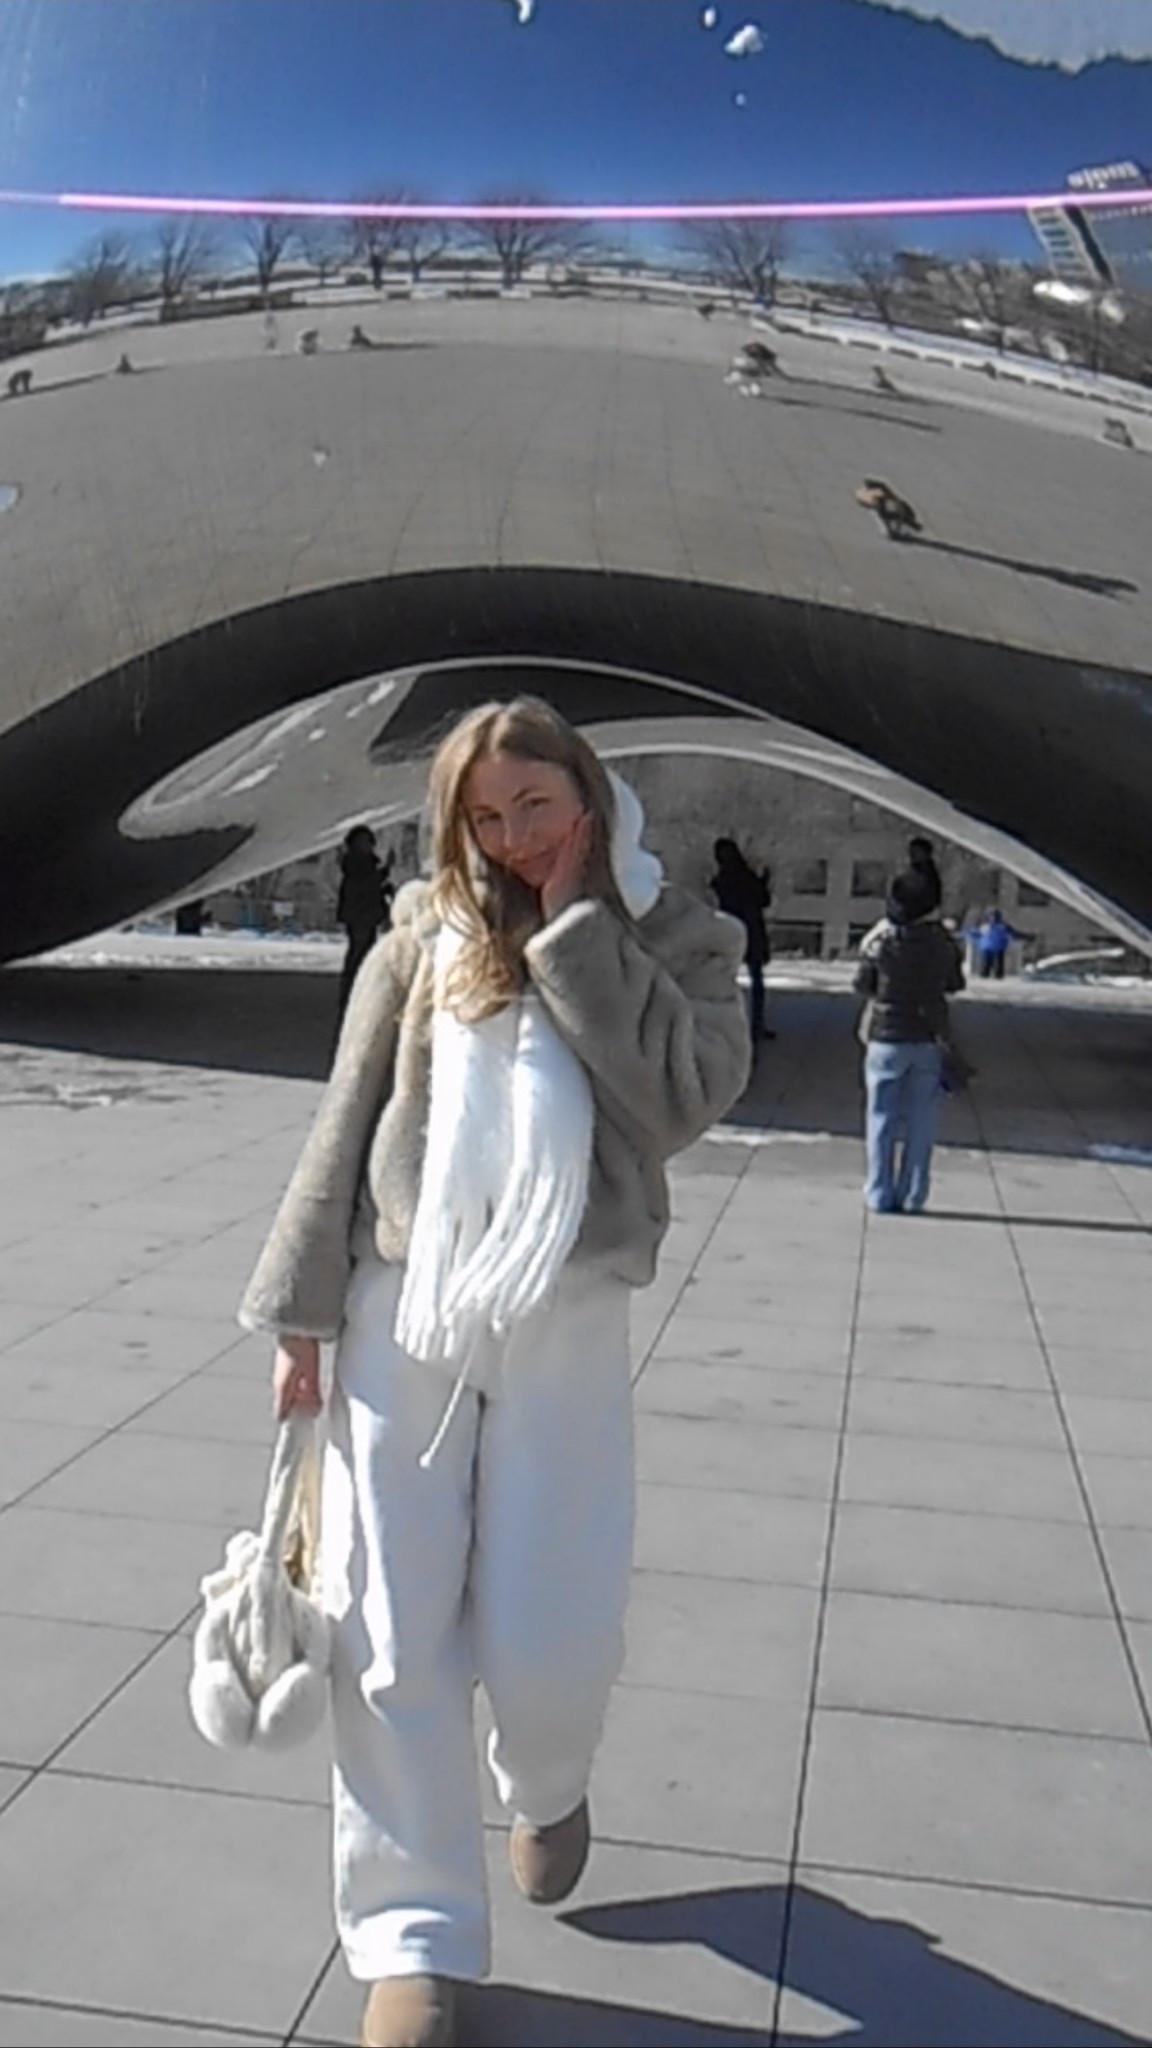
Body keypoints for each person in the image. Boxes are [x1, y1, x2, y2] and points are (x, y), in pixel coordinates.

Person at [238, 697, 750, 2048]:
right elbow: (343, 1125)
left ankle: (548, 1777)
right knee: (389, 1629)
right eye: (487, 815)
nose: (513, 838)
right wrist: (301, 1314)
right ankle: (408, 1936)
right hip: (406, 1308)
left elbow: (682, 1099)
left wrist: (581, 928)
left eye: (537, 807)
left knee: (551, 1624)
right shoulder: (419, 940)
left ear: (588, 799)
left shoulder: (675, 935)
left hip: (567, 1312)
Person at [853, 868, 964, 1215]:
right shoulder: (944, 944)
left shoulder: (882, 942)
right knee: (922, 1120)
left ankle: (879, 1192)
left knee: (881, 1116)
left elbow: (862, 984)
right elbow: (954, 984)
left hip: (886, 1036)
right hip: (928, 1036)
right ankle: (914, 1194)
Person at [708, 837, 774, 1044]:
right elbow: (764, 900)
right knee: (756, 980)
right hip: (752, 930)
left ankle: (724, 1023)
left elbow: (716, 906)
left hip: (729, 932)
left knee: (724, 978)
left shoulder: (719, 881)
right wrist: (764, 882)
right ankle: (757, 1024)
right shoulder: (748, 877)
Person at [336, 827, 394, 1018]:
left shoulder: (360, 865)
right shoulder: (357, 864)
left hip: (364, 915)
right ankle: (353, 989)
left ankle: (355, 989)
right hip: (361, 915)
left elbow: (370, 885)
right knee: (359, 952)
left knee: (363, 951)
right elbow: (366, 886)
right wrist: (384, 875)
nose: (368, 846)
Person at [964, 906, 1029, 980]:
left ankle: (987, 975)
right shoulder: (1002, 926)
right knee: (995, 964)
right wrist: (1025, 937)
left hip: (988, 947)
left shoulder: (984, 926)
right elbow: (1013, 934)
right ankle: (995, 975)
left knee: (988, 964)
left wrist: (969, 936)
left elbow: (975, 934)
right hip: (997, 947)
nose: (993, 918)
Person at [907, 835, 942, 912]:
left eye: (916, 852)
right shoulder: (917, 870)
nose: (912, 855)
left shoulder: (927, 875)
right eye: (911, 852)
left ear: (926, 854)